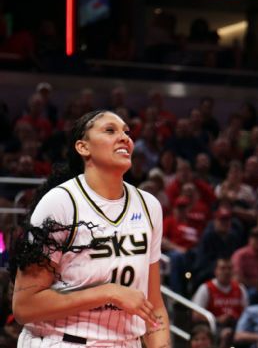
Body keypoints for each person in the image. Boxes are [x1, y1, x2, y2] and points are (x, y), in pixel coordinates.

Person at [12, 110, 170, 348]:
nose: (124, 137)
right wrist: (108, 292)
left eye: (127, 132)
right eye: (110, 130)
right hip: (61, 341)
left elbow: (154, 305)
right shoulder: (61, 203)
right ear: (83, 147)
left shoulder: (149, 206)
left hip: (126, 342)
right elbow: (25, 306)